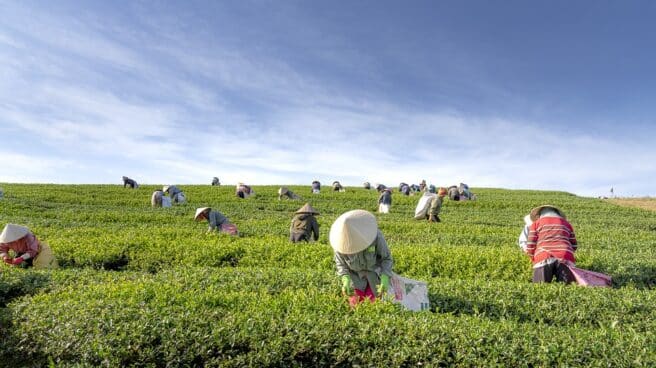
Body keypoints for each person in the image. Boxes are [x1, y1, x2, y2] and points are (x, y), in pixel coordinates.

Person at [330, 210, 393, 306]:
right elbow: (341, 264)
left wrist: (385, 276)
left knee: (373, 306)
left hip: (375, 276)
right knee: (354, 305)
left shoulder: (376, 237)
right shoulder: (340, 243)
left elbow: (386, 258)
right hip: (355, 279)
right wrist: (345, 279)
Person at [525, 205, 578, 283]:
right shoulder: (567, 224)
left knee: (540, 288)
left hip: (544, 255)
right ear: (557, 214)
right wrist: (565, 252)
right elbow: (574, 245)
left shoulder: (536, 223)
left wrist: (533, 257)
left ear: (540, 215)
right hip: (565, 256)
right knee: (566, 289)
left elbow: (530, 244)